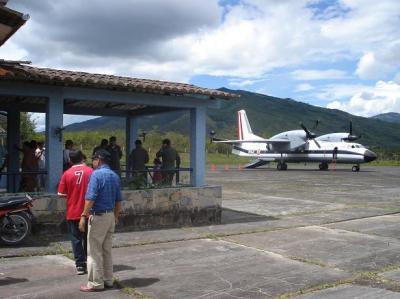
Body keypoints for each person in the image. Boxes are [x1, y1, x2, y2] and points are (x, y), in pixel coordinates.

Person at [79, 149, 122, 292]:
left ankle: (95, 283)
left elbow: (90, 198)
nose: (92, 162)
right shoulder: (114, 176)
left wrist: (83, 216)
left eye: (94, 159)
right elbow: (118, 200)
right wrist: (115, 216)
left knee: (94, 251)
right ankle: (108, 280)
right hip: (110, 216)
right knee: (107, 251)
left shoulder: (96, 175)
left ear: (99, 160)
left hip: (98, 216)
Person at [58, 150, 93, 275]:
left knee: (76, 239)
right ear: (82, 158)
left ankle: (80, 265)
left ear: (70, 160)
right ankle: (90, 263)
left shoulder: (67, 173)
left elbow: (61, 193)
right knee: (89, 239)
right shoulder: (91, 171)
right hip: (89, 211)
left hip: (73, 211)